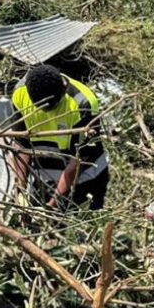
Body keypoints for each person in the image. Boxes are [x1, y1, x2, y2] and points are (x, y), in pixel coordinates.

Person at [11, 64, 108, 209]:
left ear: (64, 89)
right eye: (41, 107)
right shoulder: (20, 94)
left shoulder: (83, 103)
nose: (47, 111)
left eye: (52, 106)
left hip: (85, 179)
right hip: (45, 177)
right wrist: (21, 189)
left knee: (80, 219)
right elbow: (21, 144)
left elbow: (79, 160)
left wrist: (52, 205)